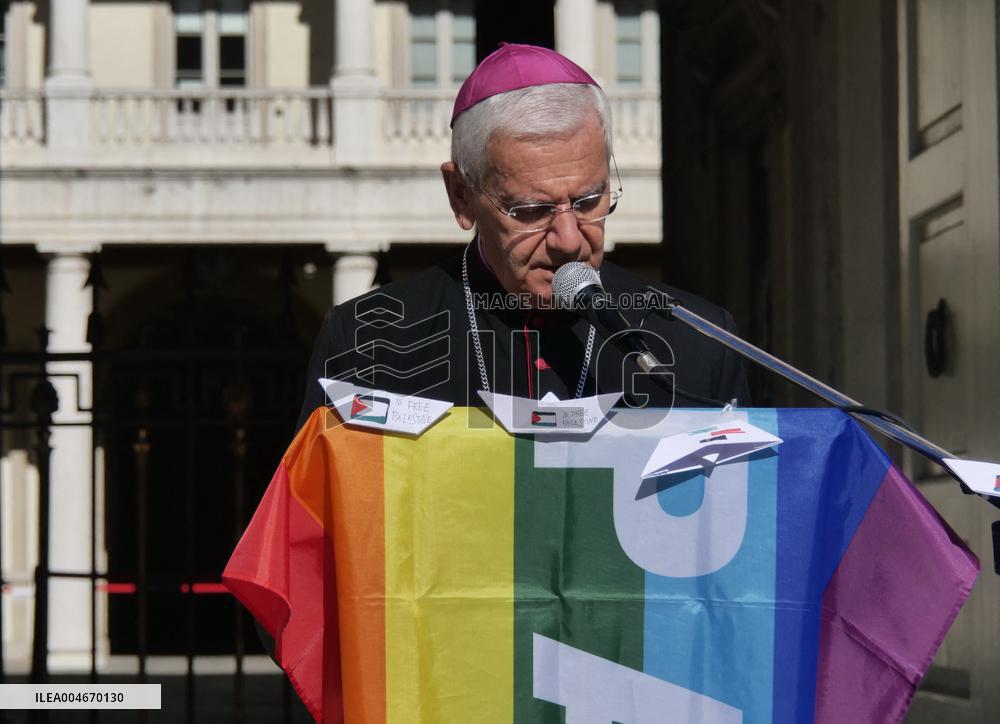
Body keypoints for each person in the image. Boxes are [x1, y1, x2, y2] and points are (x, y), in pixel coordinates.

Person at [296, 43, 749, 429]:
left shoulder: (698, 345)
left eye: (590, 201)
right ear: (461, 197)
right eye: (532, 211)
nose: (569, 240)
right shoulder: (367, 342)